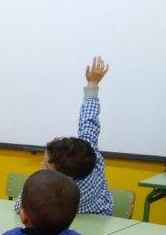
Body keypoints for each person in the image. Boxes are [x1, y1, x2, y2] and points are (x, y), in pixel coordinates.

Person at [17, 56, 113, 216]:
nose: (42, 165)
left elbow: (21, 208)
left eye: (46, 167)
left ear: (66, 177)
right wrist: (93, 84)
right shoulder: (90, 154)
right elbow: (88, 120)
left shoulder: (58, 195)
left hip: (76, 226)